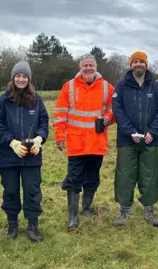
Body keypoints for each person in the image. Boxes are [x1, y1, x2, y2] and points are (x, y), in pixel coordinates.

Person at [53, 54, 115, 232]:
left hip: (97, 142)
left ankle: (86, 208)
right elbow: (60, 113)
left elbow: (113, 108)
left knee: (92, 178)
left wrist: (108, 118)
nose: (88, 68)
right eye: (85, 65)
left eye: (91, 65)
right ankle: (73, 217)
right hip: (76, 143)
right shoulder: (69, 86)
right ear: (80, 67)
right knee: (74, 179)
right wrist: (59, 136)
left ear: (96, 67)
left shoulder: (106, 87)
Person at [0, 60, 49, 241]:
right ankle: (12, 224)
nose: (21, 79)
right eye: (18, 76)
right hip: (8, 156)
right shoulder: (2, 101)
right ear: (13, 78)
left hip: (31, 156)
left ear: (29, 79)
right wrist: (12, 142)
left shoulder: (37, 100)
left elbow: (44, 122)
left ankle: (32, 225)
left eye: (25, 76)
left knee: (32, 190)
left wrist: (39, 139)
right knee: (11, 191)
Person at [112, 51, 158, 227]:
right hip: (127, 139)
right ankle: (124, 209)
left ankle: (149, 209)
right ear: (130, 65)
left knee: (149, 175)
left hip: (150, 139)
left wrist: (154, 131)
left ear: (146, 65)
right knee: (125, 175)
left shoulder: (155, 87)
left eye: (141, 62)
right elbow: (117, 110)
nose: (138, 64)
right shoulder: (121, 86)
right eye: (135, 61)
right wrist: (130, 132)